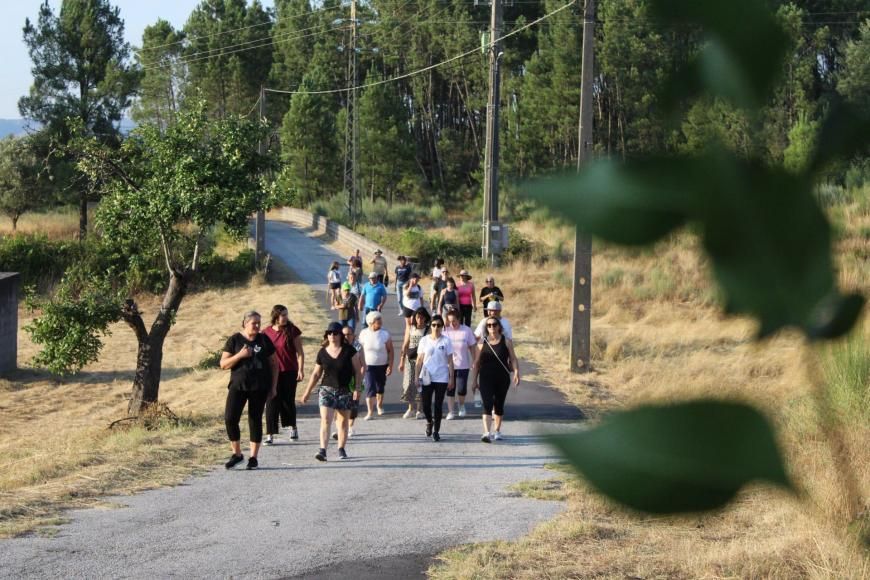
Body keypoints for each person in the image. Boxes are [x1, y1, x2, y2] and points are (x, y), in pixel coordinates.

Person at [220, 311, 278, 470]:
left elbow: (274, 364)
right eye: (254, 323)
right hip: (238, 386)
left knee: (255, 420)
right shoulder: (235, 340)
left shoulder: (264, 339)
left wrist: (273, 387)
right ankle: (237, 454)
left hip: (259, 387)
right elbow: (223, 364)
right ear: (245, 323)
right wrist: (240, 355)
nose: (258, 326)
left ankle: (253, 458)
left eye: (259, 323)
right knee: (230, 418)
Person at [300, 322, 363, 461]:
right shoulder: (322, 352)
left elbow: (358, 371)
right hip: (326, 390)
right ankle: (322, 450)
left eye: (335, 333)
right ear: (326, 335)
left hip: (345, 390)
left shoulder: (349, 351)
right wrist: (307, 392)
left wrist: (357, 388)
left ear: (340, 335)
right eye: (329, 333)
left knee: (342, 422)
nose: (332, 336)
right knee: (326, 419)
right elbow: (316, 374)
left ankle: (341, 448)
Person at [472, 316, 520, 443]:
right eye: (489, 325)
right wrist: (473, 381)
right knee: (487, 404)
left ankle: (497, 431)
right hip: (485, 378)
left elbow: (513, 359)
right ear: (486, 328)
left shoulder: (506, 341)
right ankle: (487, 433)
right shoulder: (482, 343)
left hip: (502, 378)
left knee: (498, 405)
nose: (492, 327)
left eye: (494, 324)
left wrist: (516, 372)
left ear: (499, 326)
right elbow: (476, 363)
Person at [262, 305, 304, 445]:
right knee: (271, 401)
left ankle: (293, 427)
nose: (285, 318)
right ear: (276, 316)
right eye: (283, 315)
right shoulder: (266, 332)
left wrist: (301, 369)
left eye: (286, 315)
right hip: (271, 372)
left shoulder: (292, 331)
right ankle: (270, 434)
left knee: (288, 400)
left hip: (289, 370)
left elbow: (300, 352)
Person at [415, 314, 454, 442]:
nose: (436, 327)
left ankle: (436, 431)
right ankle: (429, 421)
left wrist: (451, 378)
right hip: (426, 376)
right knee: (426, 404)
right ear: (430, 326)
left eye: (439, 325)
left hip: (441, 377)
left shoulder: (446, 341)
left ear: (442, 327)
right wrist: (416, 377)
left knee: (438, 405)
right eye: (433, 325)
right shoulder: (424, 340)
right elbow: (419, 360)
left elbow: (450, 361)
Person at [358, 311, 394, 418]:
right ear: (370, 322)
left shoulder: (385, 334)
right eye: (377, 320)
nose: (380, 322)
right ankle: (370, 412)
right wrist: (359, 365)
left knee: (380, 387)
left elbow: (390, 351)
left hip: (382, 365)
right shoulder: (363, 333)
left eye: (380, 320)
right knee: (370, 388)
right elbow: (358, 349)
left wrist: (390, 365)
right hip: (368, 365)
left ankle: (379, 406)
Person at [443, 308, 477, 420]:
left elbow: (472, 346)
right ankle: (451, 411)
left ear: (459, 319)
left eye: (454, 321)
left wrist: (474, 360)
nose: (452, 324)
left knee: (461, 389)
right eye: (450, 321)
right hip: (448, 365)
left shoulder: (466, 331)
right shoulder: (445, 331)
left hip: (463, 364)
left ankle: (461, 405)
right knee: (450, 388)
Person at [399, 307, 430, 419]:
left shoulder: (428, 330)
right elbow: (405, 345)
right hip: (410, 359)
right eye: (418, 317)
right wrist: (401, 360)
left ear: (425, 318)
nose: (420, 320)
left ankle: (420, 409)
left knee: (420, 384)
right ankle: (410, 408)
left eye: (422, 317)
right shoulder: (411, 328)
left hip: (423, 361)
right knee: (409, 384)